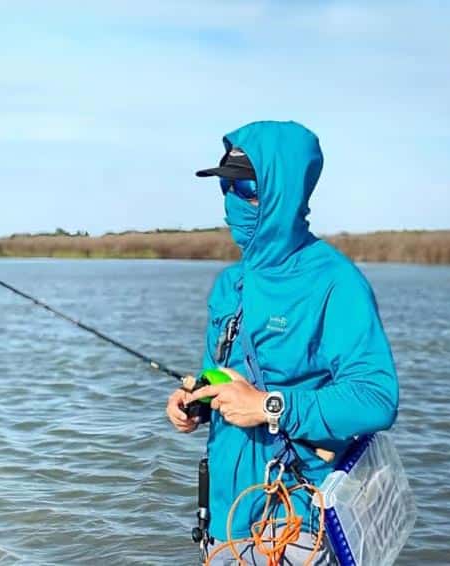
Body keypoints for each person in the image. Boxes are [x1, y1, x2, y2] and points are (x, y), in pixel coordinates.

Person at [165, 121, 399, 565]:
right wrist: (193, 401)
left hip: (296, 522)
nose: (233, 201)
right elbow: (221, 376)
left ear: (285, 191)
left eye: (247, 186)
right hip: (225, 519)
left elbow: (376, 398)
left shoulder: (336, 283)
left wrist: (269, 406)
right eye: (226, 187)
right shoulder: (229, 284)